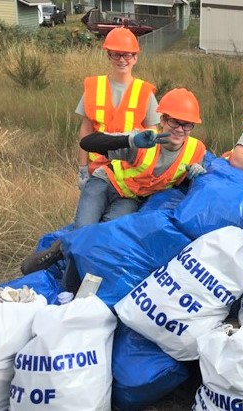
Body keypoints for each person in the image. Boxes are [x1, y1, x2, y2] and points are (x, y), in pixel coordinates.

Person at [20, 88, 207, 293]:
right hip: (105, 183)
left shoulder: (196, 150)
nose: (180, 129)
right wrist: (129, 141)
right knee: (85, 231)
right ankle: (67, 284)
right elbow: (88, 142)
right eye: (174, 121)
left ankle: (62, 253)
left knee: (104, 236)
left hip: (130, 198)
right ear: (162, 119)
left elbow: (182, 182)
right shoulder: (145, 140)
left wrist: (195, 175)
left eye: (187, 124)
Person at [76, 27, 160, 190]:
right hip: (97, 169)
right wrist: (83, 168)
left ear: (135, 57)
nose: (122, 60)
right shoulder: (93, 87)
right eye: (116, 54)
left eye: (127, 54)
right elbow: (85, 131)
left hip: (130, 172)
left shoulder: (144, 92)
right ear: (109, 56)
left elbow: (152, 135)